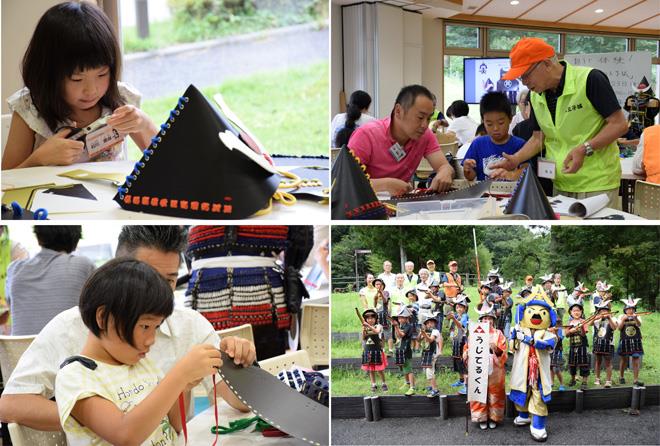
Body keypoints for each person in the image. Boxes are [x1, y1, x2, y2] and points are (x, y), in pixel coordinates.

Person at [0, 226, 256, 432]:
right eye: (148, 278)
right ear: (120, 270)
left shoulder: (189, 325)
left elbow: (232, 404)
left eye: (170, 280)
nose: (160, 292)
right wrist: (98, 415)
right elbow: (10, 404)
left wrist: (240, 367)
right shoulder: (70, 328)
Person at [56, 258, 221, 445]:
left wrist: (183, 387)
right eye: (144, 326)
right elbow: (125, 435)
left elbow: (175, 425)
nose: (152, 339)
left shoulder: (141, 364)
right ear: (103, 317)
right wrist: (178, 376)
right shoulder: (76, 376)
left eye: (156, 327)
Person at [2, 2, 158, 169]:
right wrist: (39, 158)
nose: (91, 90)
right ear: (48, 74)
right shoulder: (30, 108)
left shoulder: (120, 99)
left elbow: (168, 160)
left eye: (102, 74)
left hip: (109, 194)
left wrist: (144, 124)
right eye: (76, 79)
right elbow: (6, 181)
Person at [492, 37, 629, 208]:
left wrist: (585, 148)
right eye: (520, 78)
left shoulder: (590, 79)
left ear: (547, 64)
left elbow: (619, 124)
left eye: (526, 75)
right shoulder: (536, 95)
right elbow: (538, 137)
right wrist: (515, 159)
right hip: (561, 183)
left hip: (597, 183)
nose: (524, 82)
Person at [348, 84, 454, 196]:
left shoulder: (425, 136)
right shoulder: (366, 135)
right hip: (366, 206)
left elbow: (444, 166)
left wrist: (445, 171)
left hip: (400, 207)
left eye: (428, 118)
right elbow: (347, 182)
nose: (424, 125)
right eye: (420, 117)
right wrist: (386, 185)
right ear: (398, 111)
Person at [5, 226, 95, 335]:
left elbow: (10, 305)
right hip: (67, 349)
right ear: (76, 241)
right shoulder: (84, 265)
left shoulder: (14, 269)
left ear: (38, 238)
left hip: (22, 351)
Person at [509, 289, 558, 442]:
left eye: (542, 313)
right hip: (522, 370)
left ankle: (538, 425)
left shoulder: (548, 333)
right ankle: (524, 416)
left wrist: (529, 340)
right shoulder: (518, 329)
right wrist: (514, 337)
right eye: (531, 311)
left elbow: (547, 345)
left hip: (538, 373)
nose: (536, 315)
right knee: (522, 391)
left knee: (538, 396)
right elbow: (512, 348)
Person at [462, 92, 526, 181]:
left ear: (510, 119)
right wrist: (467, 169)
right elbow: (470, 176)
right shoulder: (478, 144)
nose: (495, 128)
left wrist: (511, 174)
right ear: (483, 122)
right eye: (489, 124)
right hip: (485, 193)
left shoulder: (520, 144)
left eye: (501, 123)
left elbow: (526, 172)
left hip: (511, 193)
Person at [463, 301, 507, 430]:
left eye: (489, 318)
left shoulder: (498, 333)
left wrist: (496, 348)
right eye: (484, 318)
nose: (487, 320)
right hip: (478, 368)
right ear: (481, 320)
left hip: (495, 370)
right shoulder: (474, 333)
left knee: (495, 394)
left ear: (493, 320)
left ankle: (494, 417)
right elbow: (467, 348)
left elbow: (503, 352)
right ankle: (481, 417)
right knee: (479, 391)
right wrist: (467, 353)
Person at [617, 297, 644, 387]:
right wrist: (623, 320)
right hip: (624, 340)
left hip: (635, 340)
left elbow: (639, 325)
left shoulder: (637, 316)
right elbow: (619, 328)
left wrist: (635, 318)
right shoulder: (621, 316)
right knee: (623, 359)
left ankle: (636, 379)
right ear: (625, 309)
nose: (630, 310)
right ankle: (621, 377)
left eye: (632, 308)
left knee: (636, 359)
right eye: (628, 308)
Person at [360, 309, 388, 393]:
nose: (370, 320)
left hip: (377, 351)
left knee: (380, 370)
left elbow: (376, 332)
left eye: (372, 318)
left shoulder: (379, 326)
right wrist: (364, 330)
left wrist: (368, 326)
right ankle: (373, 384)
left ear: (375, 319)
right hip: (368, 351)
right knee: (371, 370)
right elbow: (364, 338)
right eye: (368, 318)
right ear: (366, 319)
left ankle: (383, 383)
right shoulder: (365, 326)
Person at [565, 301, 590, 389]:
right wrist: (571, 331)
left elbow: (584, 334)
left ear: (581, 312)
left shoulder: (584, 321)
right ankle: (573, 379)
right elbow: (566, 335)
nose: (576, 312)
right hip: (573, 346)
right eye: (574, 311)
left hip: (582, 347)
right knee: (572, 364)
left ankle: (584, 381)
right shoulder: (569, 323)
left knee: (584, 364)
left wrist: (582, 327)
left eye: (578, 310)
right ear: (571, 312)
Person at [447, 294, 469, 395]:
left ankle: (466, 384)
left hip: (462, 342)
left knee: (463, 363)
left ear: (465, 308)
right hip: (456, 341)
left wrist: (454, 319)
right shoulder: (456, 315)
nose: (458, 309)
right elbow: (452, 327)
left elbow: (460, 326)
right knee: (457, 361)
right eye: (457, 307)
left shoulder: (465, 316)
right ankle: (460, 380)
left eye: (461, 307)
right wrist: (452, 336)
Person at [592, 299, 616, 388]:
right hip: (598, 342)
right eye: (601, 310)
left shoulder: (613, 318)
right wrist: (596, 317)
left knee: (608, 362)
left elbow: (614, 327)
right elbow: (590, 323)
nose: (603, 312)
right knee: (598, 361)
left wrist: (609, 318)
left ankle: (608, 381)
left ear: (608, 311)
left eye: (605, 310)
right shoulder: (598, 320)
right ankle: (597, 379)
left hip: (609, 343)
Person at [392, 306, 415, 396]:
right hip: (399, 349)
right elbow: (396, 336)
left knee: (409, 369)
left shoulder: (408, 326)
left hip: (406, 351)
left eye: (402, 317)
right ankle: (407, 382)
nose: (400, 319)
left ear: (406, 318)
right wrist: (395, 327)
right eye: (399, 317)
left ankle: (412, 387)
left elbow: (401, 335)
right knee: (403, 367)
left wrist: (396, 326)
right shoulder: (400, 325)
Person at [419, 315, 441, 398]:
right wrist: (420, 333)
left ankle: (435, 390)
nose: (430, 324)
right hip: (426, 353)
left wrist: (423, 333)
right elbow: (418, 340)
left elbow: (430, 340)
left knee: (430, 372)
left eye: (431, 322)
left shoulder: (435, 331)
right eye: (428, 323)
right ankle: (431, 386)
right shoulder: (427, 331)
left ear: (434, 323)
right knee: (428, 371)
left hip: (432, 353)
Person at [548, 324, 565, 391]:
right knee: (550, 367)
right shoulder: (547, 327)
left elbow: (559, 340)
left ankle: (561, 384)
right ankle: (552, 382)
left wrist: (555, 332)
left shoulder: (559, 328)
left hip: (557, 351)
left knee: (556, 369)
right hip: (549, 350)